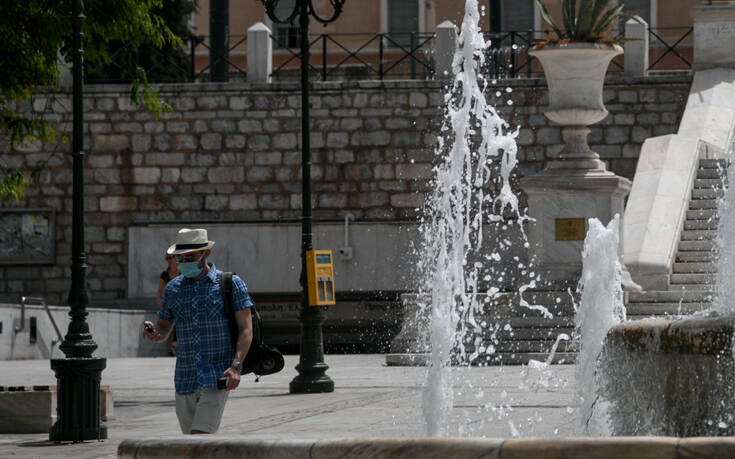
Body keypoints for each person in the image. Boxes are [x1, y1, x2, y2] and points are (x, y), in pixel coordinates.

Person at [144, 228, 254, 435]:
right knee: (193, 447)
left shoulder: (230, 284)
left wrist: (236, 366)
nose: (184, 262)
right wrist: (156, 333)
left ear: (206, 254)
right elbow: (164, 326)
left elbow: (246, 329)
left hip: (217, 375)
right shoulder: (173, 289)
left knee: (200, 436)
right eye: (180, 258)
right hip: (185, 378)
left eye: (190, 257)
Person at [157, 252, 181, 354]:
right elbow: (160, 291)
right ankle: (174, 345)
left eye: (170, 258)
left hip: (180, 302)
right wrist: (159, 303)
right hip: (169, 303)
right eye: (167, 258)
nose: (169, 260)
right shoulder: (165, 274)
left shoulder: (182, 273)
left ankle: (174, 345)